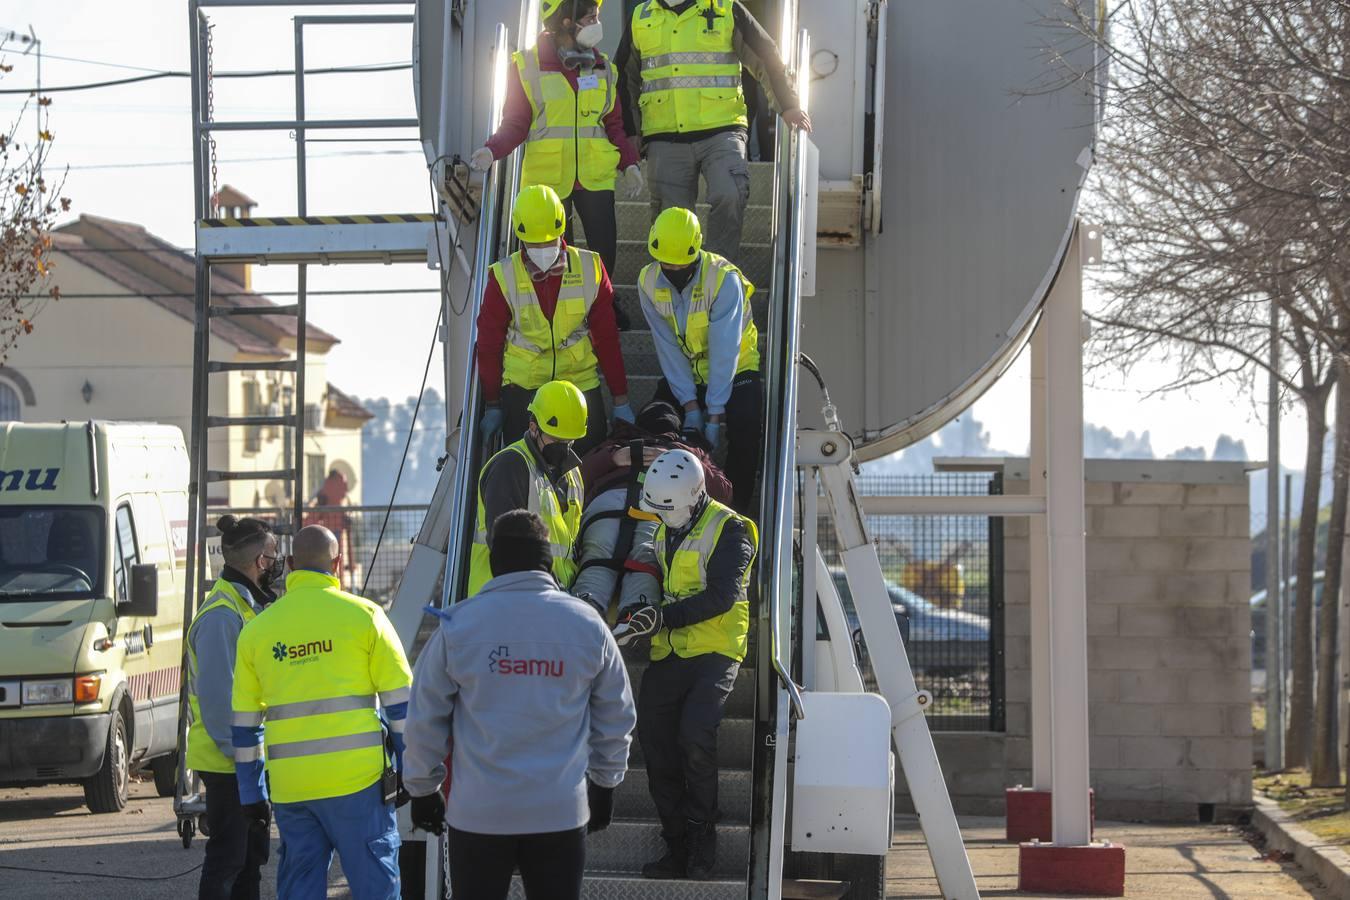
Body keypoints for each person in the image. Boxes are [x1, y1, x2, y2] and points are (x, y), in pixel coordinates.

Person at [404, 509, 637, 900]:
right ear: (546, 559)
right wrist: (605, 782)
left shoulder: (459, 625)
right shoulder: (588, 625)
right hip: (560, 811)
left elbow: (425, 716)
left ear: (495, 559)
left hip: (479, 814)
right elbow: (617, 714)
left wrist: (423, 788)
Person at [231, 525, 413, 900]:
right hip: (357, 782)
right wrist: (411, 770)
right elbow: (402, 706)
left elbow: (246, 727)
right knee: (375, 885)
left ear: (293, 564)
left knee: (300, 884)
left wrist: (252, 793)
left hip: (292, 786)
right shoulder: (367, 617)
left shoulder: (257, 632)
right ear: (338, 563)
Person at [629, 449, 757, 880]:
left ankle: (703, 845)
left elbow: (722, 596)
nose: (662, 519)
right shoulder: (667, 523)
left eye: (669, 511)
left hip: (716, 647)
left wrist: (662, 617)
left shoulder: (731, 529)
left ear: (696, 496)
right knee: (656, 742)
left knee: (696, 737)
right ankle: (676, 845)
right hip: (671, 649)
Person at [616, 0, 811, 264]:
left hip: (723, 130)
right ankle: (678, 294)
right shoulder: (641, 16)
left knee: (729, 193)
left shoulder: (725, 7)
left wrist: (788, 105)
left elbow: (765, 54)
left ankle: (719, 275)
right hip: (665, 137)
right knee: (671, 222)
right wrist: (630, 131)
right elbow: (623, 77)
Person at [470, 0, 643, 286]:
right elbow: (516, 123)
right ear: (565, 22)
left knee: (604, 256)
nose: (596, 24)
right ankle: (570, 316)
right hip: (547, 181)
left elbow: (614, 126)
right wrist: (492, 149)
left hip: (595, 177)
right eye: (591, 17)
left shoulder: (604, 68)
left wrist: (630, 163)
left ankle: (602, 305)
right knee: (557, 263)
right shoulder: (526, 66)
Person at [477, 184, 632, 454]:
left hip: (579, 383)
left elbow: (607, 338)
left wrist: (620, 398)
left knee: (588, 467)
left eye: (548, 241)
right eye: (535, 243)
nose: (542, 248)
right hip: (524, 388)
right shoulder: (502, 277)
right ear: (520, 236)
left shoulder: (591, 268)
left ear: (562, 230)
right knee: (528, 473)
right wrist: (492, 403)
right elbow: (489, 344)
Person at [638, 206, 762, 512]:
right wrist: (691, 406)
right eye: (666, 265)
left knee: (746, 433)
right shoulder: (648, 281)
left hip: (737, 369)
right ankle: (655, 510)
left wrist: (714, 416)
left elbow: (725, 352)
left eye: (681, 267)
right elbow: (666, 345)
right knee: (653, 423)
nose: (672, 271)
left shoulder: (722, 281)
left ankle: (736, 512)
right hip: (687, 371)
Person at [186, 516, 281, 900]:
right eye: (274, 556)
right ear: (260, 561)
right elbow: (218, 702)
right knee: (229, 859)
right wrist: (246, 763)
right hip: (231, 764)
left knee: (249, 860)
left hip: (246, 761)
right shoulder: (222, 616)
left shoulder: (246, 607)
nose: (277, 565)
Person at [570, 400, 732, 618]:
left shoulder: (614, 444)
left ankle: (585, 605)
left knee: (597, 554)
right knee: (646, 556)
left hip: (606, 503)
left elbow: (573, 478)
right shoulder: (690, 450)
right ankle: (639, 607)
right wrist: (687, 462)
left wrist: (611, 458)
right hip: (658, 508)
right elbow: (724, 492)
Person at [468, 380, 587, 596]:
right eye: (556, 440)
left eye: (569, 442)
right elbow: (509, 548)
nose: (564, 449)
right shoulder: (510, 466)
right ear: (533, 427)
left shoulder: (573, 475)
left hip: (545, 602)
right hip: (505, 601)